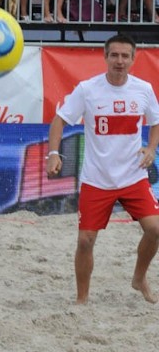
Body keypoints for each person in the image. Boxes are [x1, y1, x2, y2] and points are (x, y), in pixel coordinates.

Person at [47, 34, 159, 304]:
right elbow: (58, 121)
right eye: (114, 55)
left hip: (133, 176)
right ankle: (82, 300)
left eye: (125, 56)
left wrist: (151, 148)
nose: (119, 61)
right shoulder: (88, 89)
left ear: (133, 59)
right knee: (85, 241)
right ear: (105, 57)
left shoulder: (143, 89)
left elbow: (156, 122)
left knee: (155, 229)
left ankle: (139, 277)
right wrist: (53, 154)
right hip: (97, 179)